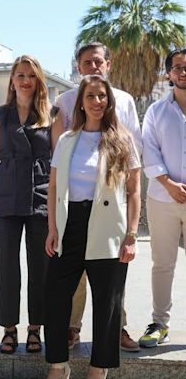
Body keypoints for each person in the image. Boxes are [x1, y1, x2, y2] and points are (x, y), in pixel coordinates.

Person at [45, 75, 140, 379]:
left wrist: (132, 236)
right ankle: (59, 365)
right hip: (70, 224)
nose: (97, 102)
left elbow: (135, 191)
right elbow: (54, 186)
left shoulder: (121, 139)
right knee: (57, 296)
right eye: (91, 96)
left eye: (102, 96)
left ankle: (99, 368)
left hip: (108, 228)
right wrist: (52, 228)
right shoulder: (67, 140)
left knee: (107, 301)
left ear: (109, 101)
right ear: (80, 103)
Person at [0, 55, 53, 354]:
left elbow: (59, 163)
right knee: (7, 267)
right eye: (20, 75)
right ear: (12, 79)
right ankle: (9, 328)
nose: (26, 81)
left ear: (39, 81)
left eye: (31, 76)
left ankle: (35, 328)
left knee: (41, 267)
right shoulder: (0, 115)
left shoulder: (53, 114)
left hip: (41, 197)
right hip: (7, 197)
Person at [139, 48, 186, 348]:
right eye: (177, 67)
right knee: (163, 263)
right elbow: (149, 151)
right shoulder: (156, 111)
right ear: (168, 74)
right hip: (162, 198)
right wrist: (170, 185)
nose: (183, 71)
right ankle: (159, 323)